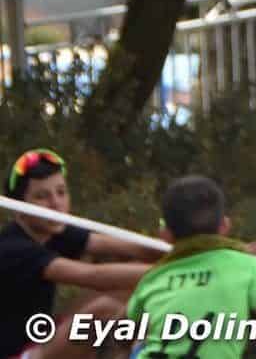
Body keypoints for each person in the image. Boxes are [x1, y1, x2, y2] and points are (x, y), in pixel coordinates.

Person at [1, 147, 162, 359]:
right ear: (19, 210)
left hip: (37, 340)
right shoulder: (13, 248)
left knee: (126, 291)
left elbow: (133, 247)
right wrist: (172, 271)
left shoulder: (53, 230)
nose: (56, 203)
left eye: (61, 192)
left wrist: (187, 247)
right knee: (102, 310)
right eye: (42, 196)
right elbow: (92, 276)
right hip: (13, 355)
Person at [126, 175, 256, 359]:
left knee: (140, 339)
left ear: (165, 235)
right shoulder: (246, 266)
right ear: (225, 226)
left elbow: (131, 325)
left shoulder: (152, 278)